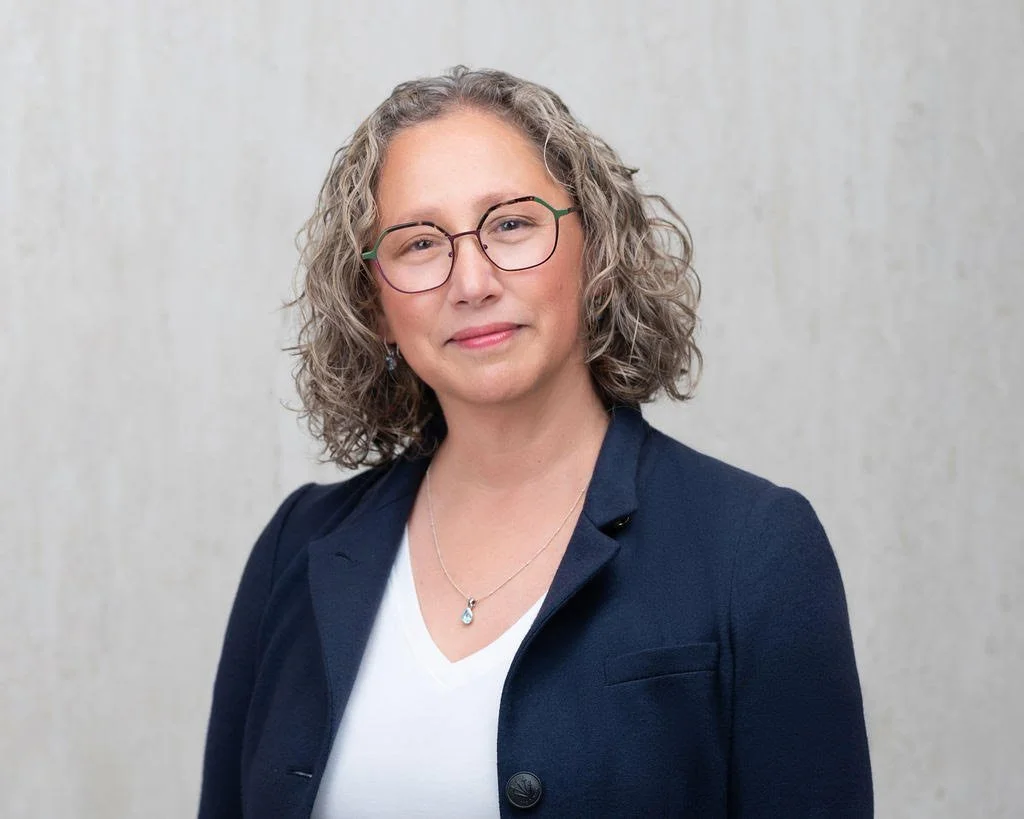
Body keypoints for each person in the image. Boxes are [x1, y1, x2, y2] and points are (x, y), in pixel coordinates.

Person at [198, 66, 872, 818]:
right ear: (377, 305)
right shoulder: (299, 547)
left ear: (597, 250)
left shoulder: (755, 547)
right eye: (420, 243)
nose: (472, 280)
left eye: (512, 224)